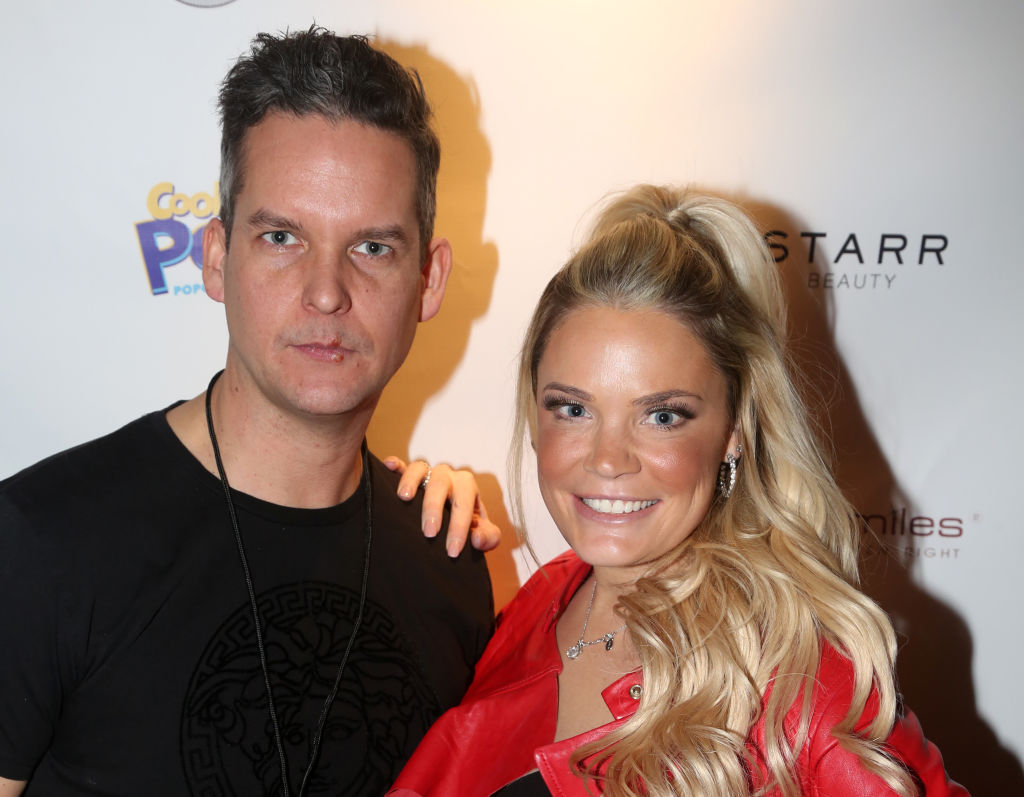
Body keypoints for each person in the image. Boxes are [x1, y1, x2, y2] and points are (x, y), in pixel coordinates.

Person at [0, 28, 497, 797]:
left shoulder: (449, 563)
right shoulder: (40, 544)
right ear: (215, 257)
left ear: (429, 281)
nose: (326, 292)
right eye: (282, 236)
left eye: (372, 248)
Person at [390, 185, 969, 796]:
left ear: (734, 430)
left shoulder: (799, 675)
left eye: (662, 416)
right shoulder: (541, 604)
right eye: (573, 409)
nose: (608, 459)